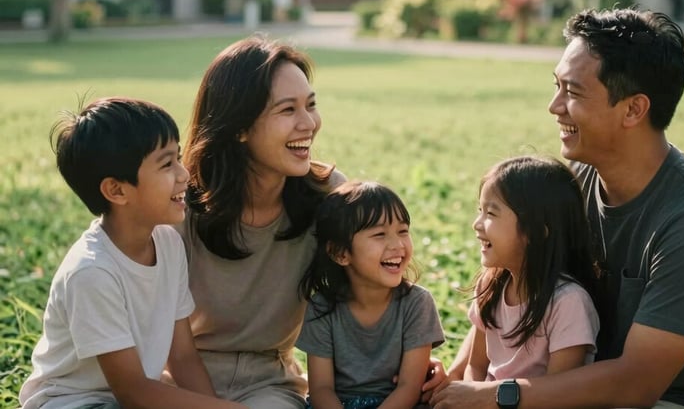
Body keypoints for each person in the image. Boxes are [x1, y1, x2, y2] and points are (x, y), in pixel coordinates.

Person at [430, 7, 684, 409]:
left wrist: (496, 396)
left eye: (573, 92)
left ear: (633, 109)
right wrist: (454, 383)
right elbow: (509, 278)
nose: (554, 106)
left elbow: (636, 387)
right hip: (570, 387)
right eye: (557, 86)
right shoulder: (574, 181)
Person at [19, 97, 244, 409]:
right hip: (73, 403)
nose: (184, 174)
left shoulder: (168, 243)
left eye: (178, 158)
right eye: (167, 164)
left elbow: (182, 357)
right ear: (117, 190)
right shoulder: (92, 272)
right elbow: (134, 392)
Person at [177, 35, 346, 409]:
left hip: (270, 383)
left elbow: (370, 291)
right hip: (179, 378)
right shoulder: (179, 206)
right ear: (239, 127)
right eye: (287, 110)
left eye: (311, 105)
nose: (309, 124)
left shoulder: (330, 196)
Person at [446, 156, 600, 389]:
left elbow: (557, 394)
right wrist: (470, 395)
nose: (477, 224)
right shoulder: (491, 286)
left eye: (491, 213)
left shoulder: (568, 302)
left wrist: (482, 398)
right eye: (480, 210)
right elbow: (475, 365)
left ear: (535, 232)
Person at [297, 180, 445, 409]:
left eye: (403, 231)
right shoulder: (322, 308)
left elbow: (409, 387)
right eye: (379, 235)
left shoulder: (417, 304)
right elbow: (320, 389)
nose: (397, 244)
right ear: (340, 253)